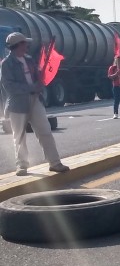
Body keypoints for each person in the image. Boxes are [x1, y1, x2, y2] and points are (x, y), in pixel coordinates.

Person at [0, 32, 69, 176]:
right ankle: (22, 166)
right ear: (18, 45)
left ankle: (55, 163)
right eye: (25, 43)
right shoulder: (6, 64)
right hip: (17, 104)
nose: (27, 45)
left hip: (35, 100)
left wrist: (40, 82)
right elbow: (9, 87)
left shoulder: (30, 60)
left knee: (45, 131)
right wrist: (32, 88)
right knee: (19, 136)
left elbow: (38, 77)